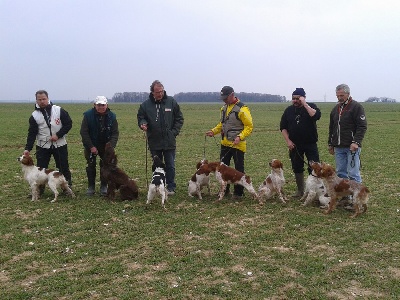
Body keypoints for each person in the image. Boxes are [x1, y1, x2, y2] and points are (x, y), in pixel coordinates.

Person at [206, 86, 254, 199]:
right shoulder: (223, 108)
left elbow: (249, 126)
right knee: (222, 169)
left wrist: (240, 137)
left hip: (238, 145)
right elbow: (222, 124)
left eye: (225, 98)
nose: (224, 100)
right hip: (225, 143)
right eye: (222, 98)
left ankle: (238, 193)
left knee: (238, 169)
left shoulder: (242, 109)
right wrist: (214, 131)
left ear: (232, 95)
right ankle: (224, 190)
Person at [137, 80, 184, 195]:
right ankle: (158, 185)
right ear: (152, 92)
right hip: (154, 141)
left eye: (162, 91)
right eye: (158, 92)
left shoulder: (171, 102)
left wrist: (173, 132)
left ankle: (171, 186)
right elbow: (141, 117)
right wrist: (143, 123)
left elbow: (179, 118)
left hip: (169, 141)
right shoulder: (145, 105)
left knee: (170, 165)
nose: (160, 94)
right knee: (157, 165)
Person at [23, 90, 73, 194]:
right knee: (40, 170)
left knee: (63, 167)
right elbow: (32, 133)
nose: (42, 101)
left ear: (48, 98)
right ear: (36, 100)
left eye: (44, 99)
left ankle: (66, 188)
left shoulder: (58, 110)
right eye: (39, 99)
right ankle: (39, 190)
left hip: (60, 144)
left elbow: (68, 124)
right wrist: (28, 148)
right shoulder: (34, 115)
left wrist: (58, 135)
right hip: (43, 146)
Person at [280, 87, 321, 198]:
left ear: (303, 98)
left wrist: (305, 104)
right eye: (293, 98)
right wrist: (288, 141)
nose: (295, 100)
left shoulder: (311, 106)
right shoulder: (288, 110)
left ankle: (315, 192)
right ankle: (300, 191)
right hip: (294, 145)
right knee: (297, 167)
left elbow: (316, 116)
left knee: (314, 167)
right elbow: (283, 127)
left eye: (298, 98)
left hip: (310, 144)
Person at [80, 96, 119, 196]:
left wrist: (110, 146)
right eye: (98, 105)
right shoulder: (88, 116)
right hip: (91, 145)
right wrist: (91, 146)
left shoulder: (112, 116)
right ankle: (91, 186)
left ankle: (103, 186)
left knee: (106, 166)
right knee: (91, 165)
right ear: (94, 105)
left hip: (106, 146)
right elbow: (84, 132)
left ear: (106, 105)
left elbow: (115, 133)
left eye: (103, 105)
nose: (101, 107)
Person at [328, 84, 367, 183]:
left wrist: (356, 142)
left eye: (342, 95)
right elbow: (332, 128)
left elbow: (362, 126)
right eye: (338, 96)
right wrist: (331, 144)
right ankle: (345, 195)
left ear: (348, 94)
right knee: (341, 173)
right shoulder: (335, 109)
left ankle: (357, 196)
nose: (339, 98)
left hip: (351, 147)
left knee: (353, 173)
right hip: (338, 147)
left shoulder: (356, 107)